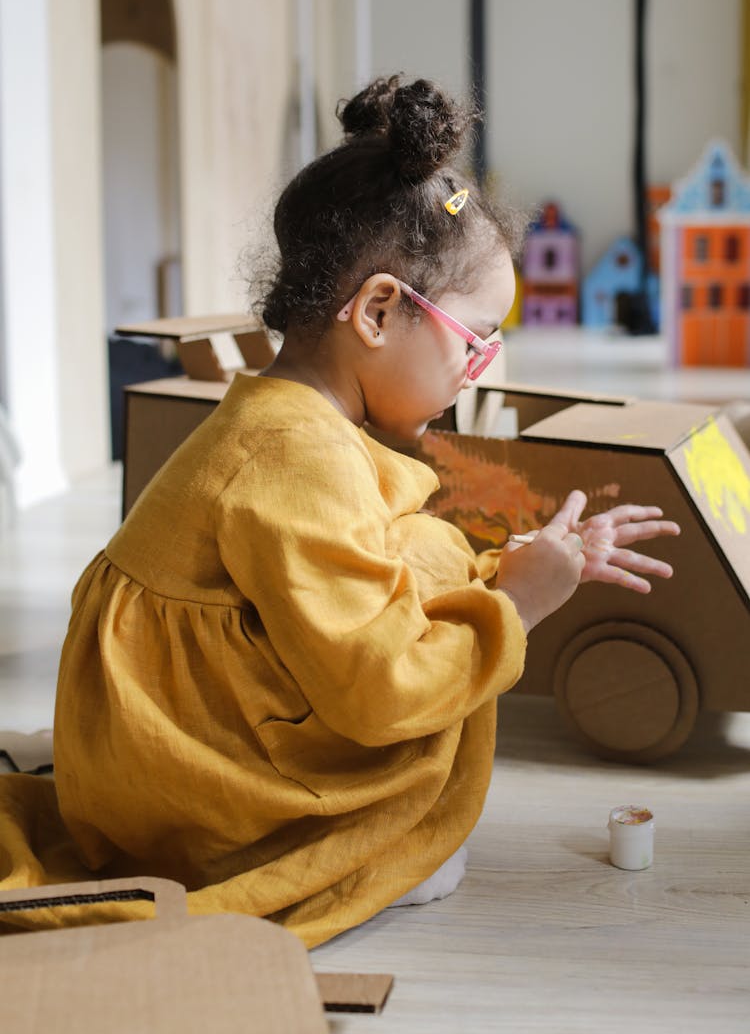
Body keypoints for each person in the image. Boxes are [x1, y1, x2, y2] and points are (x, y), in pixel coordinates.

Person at [0, 76, 680, 946]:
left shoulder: (291, 415)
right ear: (378, 309)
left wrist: (504, 564)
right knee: (427, 844)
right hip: (182, 798)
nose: (486, 366)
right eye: (476, 338)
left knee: (430, 545)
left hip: (156, 747)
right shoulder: (298, 455)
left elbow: (372, 566)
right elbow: (380, 690)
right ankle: (284, 837)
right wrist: (516, 604)